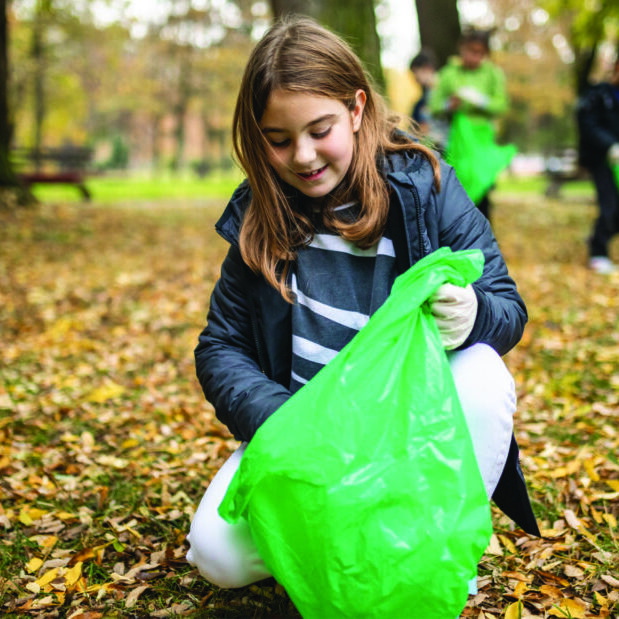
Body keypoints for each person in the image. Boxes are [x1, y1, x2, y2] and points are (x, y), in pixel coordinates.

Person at [186, 17, 538, 592]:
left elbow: (507, 307)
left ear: (354, 108)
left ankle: (429, 541)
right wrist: (282, 422)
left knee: (481, 370)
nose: (302, 156)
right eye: (278, 139)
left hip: (407, 433)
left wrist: (474, 314)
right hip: (306, 438)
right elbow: (220, 346)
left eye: (319, 129)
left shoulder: (427, 185)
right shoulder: (259, 213)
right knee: (216, 555)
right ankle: (346, 535)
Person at [429, 28, 510, 221]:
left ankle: (483, 242)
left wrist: (481, 101)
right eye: (470, 51)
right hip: (456, 143)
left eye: (479, 53)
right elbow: (433, 106)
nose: (474, 57)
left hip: (481, 143)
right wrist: (449, 105)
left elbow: (501, 105)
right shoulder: (449, 73)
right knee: (457, 190)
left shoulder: (492, 74)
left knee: (481, 192)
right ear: (461, 49)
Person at [576, 56, 619, 274]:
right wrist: (610, 146)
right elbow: (587, 123)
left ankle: (598, 237)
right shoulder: (599, 95)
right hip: (602, 160)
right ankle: (598, 252)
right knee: (609, 205)